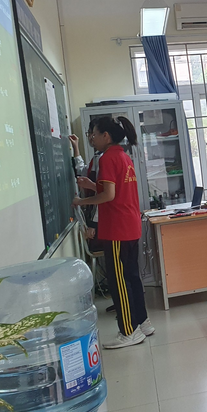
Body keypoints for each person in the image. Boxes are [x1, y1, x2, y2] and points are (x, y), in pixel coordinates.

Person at [73, 116, 153, 349]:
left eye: (94, 134)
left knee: (118, 282)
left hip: (117, 228)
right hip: (130, 226)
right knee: (132, 277)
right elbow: (115, 190)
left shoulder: (107, 158)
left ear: (105, 136)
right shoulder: (123, 156)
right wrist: (91, 186)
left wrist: (81, 201)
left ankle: (129, 331)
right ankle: (143, 322)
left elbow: (109, 196)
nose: (92, 138)